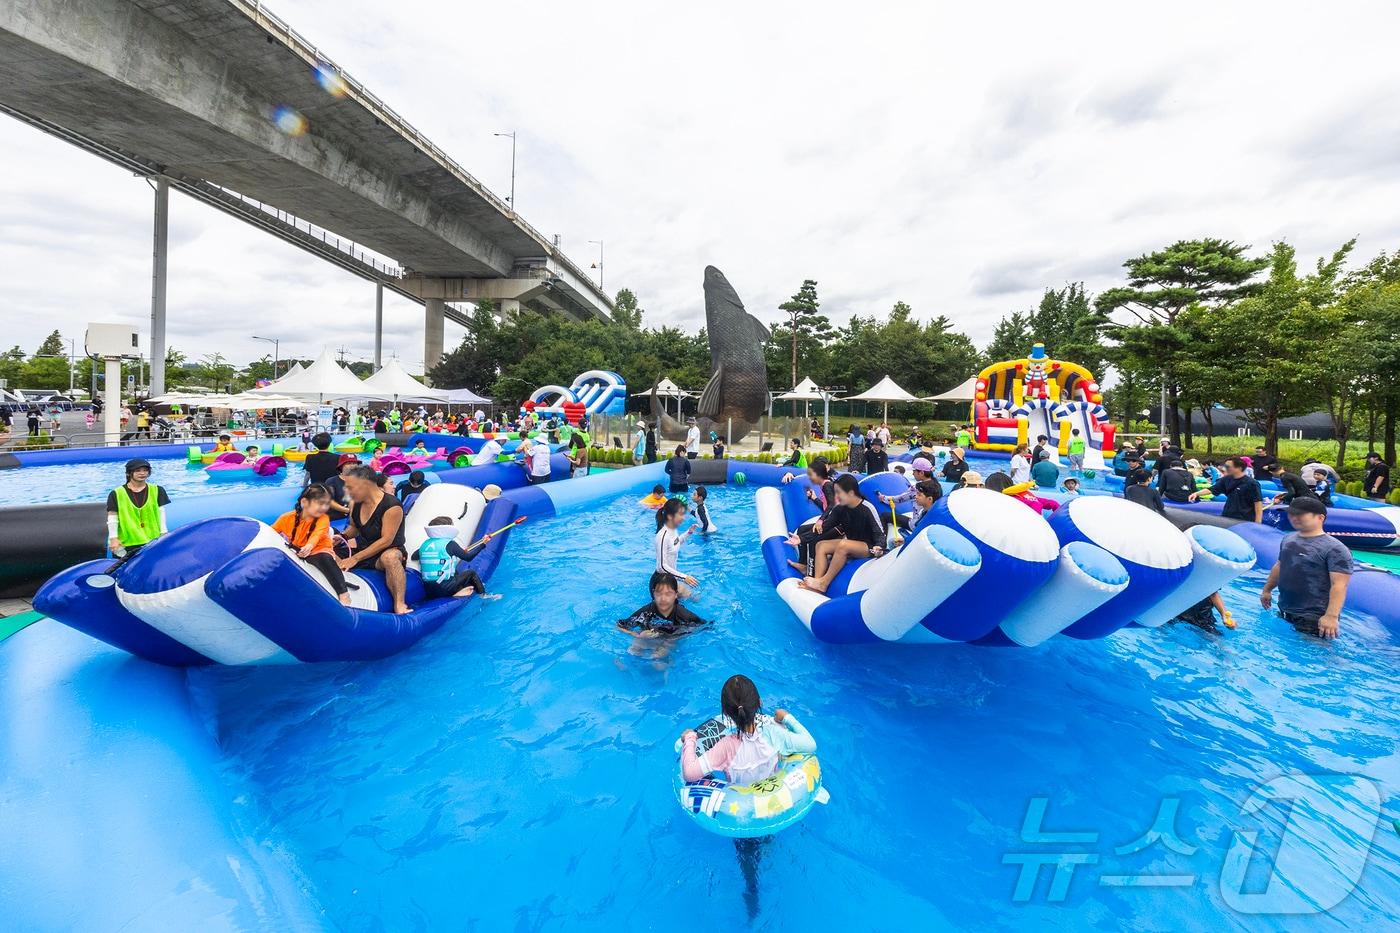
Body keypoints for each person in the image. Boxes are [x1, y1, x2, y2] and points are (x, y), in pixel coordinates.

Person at [679, 672, 816, 784]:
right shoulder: (774, 733)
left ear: (725, 713)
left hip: (740, 806)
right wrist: (787, 718)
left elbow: (689, 774)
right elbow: (811, 745)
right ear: (759, 702)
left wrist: (690, 738)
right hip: (773, 791)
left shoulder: (726, 747)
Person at [1260, 498, 1352, 638]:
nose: (1294, 518)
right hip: (1285, 607)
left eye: (1301, 514)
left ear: (1321, 517)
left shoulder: (1335, 548)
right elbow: (1279, 565)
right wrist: (1267, 590)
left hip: (1313, 617)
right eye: (1291, 514)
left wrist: (1331, 616)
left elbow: (1339, 584)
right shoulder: (1288, 539)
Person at [338, 466, 409, 614]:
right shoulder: (355, 503)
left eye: (351, 487)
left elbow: (386, 540)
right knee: (327, 550)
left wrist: (355, 559)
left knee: (390, 558)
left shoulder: (392, 506)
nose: (348, 492)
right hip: (364, 549)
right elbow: (354, 527)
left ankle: (400, 604)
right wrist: (341, 538)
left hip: (386, 551)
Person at [801, 474, 886, 593]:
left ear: (851, 493)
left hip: (869, 546)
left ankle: (824, 583)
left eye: (838, 492)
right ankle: (817, 582)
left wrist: (880, 546)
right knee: (821, 545)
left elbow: (879, 533)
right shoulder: (840, 509)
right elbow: (824, 528)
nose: (836, 496)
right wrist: (801, 539)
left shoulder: (867, 508)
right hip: (852, 543)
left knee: (843, 545)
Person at [272, 484, 351, 606]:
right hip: (297, 551)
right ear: (304, 502)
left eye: (326, 504)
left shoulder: (323, 518)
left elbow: (317, 534)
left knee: (324, 558)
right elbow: (271, 532)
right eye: (319, 503)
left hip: (319, 550)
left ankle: (344, 594)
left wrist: (309, 546)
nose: (324, 508)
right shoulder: (286, 518)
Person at [412, 516, 490, 600]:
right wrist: (483, 544)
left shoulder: (425, 545)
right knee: (471, 573)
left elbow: (414, 556)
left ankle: (460, 589)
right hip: (445, 589)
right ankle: (484, 596)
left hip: (429, 591)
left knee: (454, 571)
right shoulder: (450, 544)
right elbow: (468, 557)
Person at [106, 458, 170, 557]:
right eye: (137, 470)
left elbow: (161, 512)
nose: (142, 473)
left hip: (152, 540)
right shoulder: (116, 493)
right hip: (126, 543)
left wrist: (164, 532)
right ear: (129, 473)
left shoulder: (158, 490)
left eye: (145, 470)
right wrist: (113, 538)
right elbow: (112, 517)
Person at [617, 571, 709, 638]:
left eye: (668, 594)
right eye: (659, 593)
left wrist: (680, 634)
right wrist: (637, 635)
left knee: (660, 656)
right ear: (653, 593)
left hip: (671, 637)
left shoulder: (682, 614)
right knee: (634, 650)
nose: (663, 598)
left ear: (676, 595)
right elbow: (620, 625)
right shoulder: (646, 611)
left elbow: (705, 626)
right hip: (649, 634)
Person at [1189, 457, 1263, 522]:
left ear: (1239, 468)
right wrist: (1196, 494)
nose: (1225, 469)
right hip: (1227, 516)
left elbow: (1258, 503)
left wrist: (1258, 522)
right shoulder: (1226, 480)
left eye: (1228, 467)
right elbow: (1212, 489)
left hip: (1244, 518)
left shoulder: (1252, 483)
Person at [878, 457, 941, 528]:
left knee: (885, 515)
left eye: (914, 471)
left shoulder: (918, 488)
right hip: (927, 522)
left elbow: (899, 499)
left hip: (916, 524)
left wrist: (883, 498)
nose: (912, 474)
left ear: (921, 472)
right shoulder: (937, 485)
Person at [654, 497, 698, 594]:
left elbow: (676, 543)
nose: (684, 517)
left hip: (670, 578)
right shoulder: (662, 536)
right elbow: (661, 566)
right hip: (661, 582)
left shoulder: (673, 530)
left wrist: (688, 532)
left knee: (692, 597)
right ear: (670, 516)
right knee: (690, 597)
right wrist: (684, 577)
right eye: (681, 514)